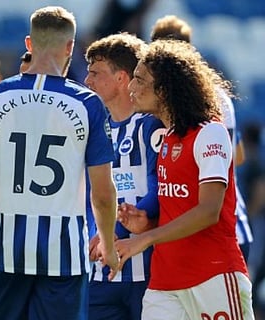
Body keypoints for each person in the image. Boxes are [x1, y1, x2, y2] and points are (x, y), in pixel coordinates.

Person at [0, 6, 119, 320]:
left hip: (5, 249)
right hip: (63, 255)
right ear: (70, 47)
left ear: (29, 44)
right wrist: (108, 245)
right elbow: (103, 194)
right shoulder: (87, 104)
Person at [115, 39, 253, 319]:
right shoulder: (167, 138)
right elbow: (179, 208)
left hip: (213, 273)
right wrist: (147, 223)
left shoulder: (210, 133)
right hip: (165, 281)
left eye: (140, 80)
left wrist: (147, 238)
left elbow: (209, 211)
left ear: (164, 90)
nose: (131, 87)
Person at [150, 14, 254, 262]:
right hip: (230, 224)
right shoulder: (218, 94)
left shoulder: (169, 101)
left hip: (206, 231)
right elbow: (237, 156)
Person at [84, 32, 165, 320]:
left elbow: (162, 185)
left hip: (149, 270)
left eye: (95, 72)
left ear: (121, 78)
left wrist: (119, 228)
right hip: (101, 274)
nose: (87, 81)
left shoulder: (151, 126)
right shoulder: (93, 129)